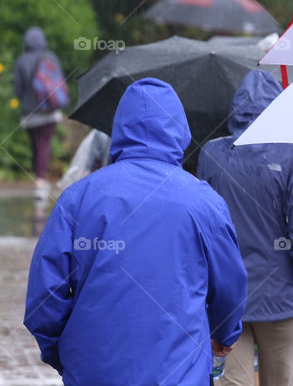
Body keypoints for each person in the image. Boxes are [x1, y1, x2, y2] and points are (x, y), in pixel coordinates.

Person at [24, 77, 247, 385]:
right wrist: (224, 335)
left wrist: (64, 351)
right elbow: (230, 286)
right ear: (180, 129)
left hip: (94, 371)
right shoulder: (204, 202)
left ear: (120, 129)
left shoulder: (78, 199)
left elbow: (44, 296)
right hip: (180, 373)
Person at [197, 70, 293, 386]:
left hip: (225, 298)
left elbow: (202, 226)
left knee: (232, 383)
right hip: (280, 294)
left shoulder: (211, 154)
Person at [13, 27, 67, 190]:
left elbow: (18, 90)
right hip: (49, 111)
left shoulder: (20, 61)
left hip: (29, 113)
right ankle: (40, 179)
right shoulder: (50, 57)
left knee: (36, 144)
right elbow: (60, 82)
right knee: (44, 143)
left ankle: (39, 176)